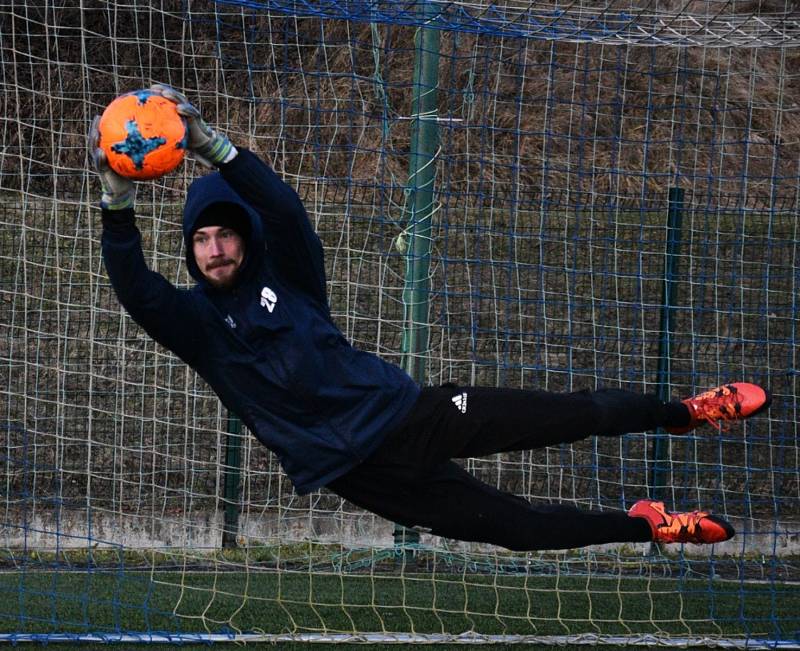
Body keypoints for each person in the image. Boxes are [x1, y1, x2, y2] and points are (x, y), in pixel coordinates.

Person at [90, 85, 772, 552]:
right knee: (515, 528)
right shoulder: (199, 328)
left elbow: (286, 210)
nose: (214, 249)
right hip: (364, 474)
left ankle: (684, 412)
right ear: (190, 251)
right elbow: (136, 288)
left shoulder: (290, 276)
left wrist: (214, 148)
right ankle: (648, 525)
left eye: (225, 235)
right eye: (201, 241)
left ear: (244, 240)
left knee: (570, 413)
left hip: (412, 413)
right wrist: (115, 204)